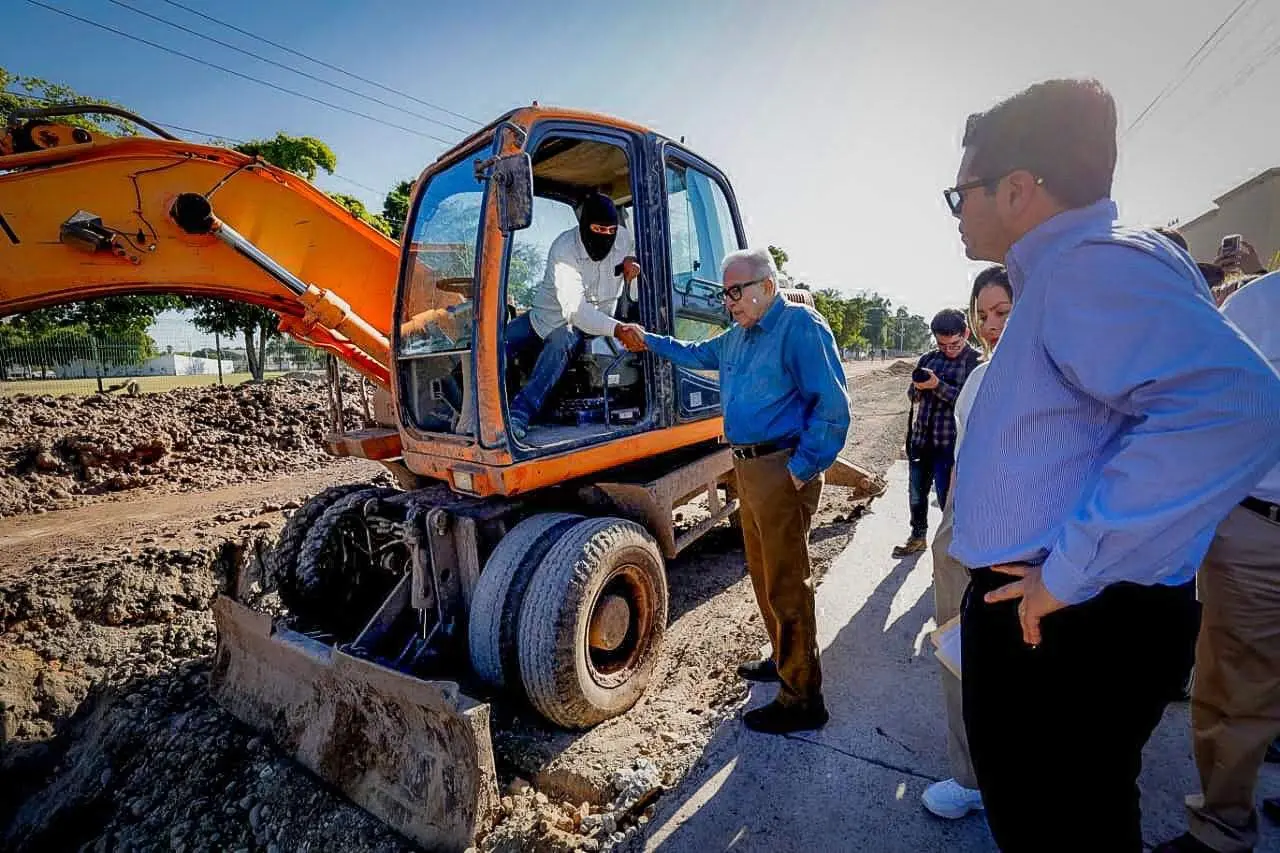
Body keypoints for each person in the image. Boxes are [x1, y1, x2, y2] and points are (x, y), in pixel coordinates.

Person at [943, 78, 1280, 852]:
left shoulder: (1088, 268)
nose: (958, 211)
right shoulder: (1067, 270)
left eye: (961, 192)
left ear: (1020, 189)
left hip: (1066, 626)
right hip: (1064, 616)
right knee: (1071, 817)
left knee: (1062, 825)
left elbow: (1237, 407)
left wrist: (1070, 568)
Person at [615, 247, 850, 735]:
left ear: (768, 285)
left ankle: (803, 699)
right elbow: (693, 353)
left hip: (781, 467)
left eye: (736, 291)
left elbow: (832, 406)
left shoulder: (799, 326)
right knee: (764, 574)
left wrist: (801, 469)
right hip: (748, 467)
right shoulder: (738, 337)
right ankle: (783, 660)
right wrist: (647, 341)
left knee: (788, 582)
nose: (729, 302)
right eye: (725, 294)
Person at [1156, 271, 1280, 853]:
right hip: (1261, 528)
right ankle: (1224, 828)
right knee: (1235, 686)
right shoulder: (1260, 303)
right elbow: (1200, 410)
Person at [921, 265, 1012, 820]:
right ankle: (971, 777)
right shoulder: (981, 376)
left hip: (1014, 536)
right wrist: (947, 521)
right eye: (983, 314)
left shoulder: (1056, 371)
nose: (990, 325)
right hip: (965, 526)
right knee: (959, 654)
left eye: (1003, 311)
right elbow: (963, 450)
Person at [507, 192, 639, 438]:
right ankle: (477, 403)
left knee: (561, 341)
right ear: (584, 226)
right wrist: (619, 329)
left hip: (589, 325)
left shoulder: (624, 238)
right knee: (493, 343)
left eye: (611, 230)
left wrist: (633, 264)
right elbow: (574, 310)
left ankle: (519, 414)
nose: (606, 236)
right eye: (598, 229)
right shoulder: (564, 249)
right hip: (545, 318)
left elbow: (633, 257)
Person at [891, 309, 980, 558]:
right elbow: (912, 395)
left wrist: (937, 386)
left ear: (966, 333)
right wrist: (919, 387)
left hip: (950, 447)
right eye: (943, 344)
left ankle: (949, 551)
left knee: (947, 502)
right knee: (917, 496)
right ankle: (917, 537)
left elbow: (970, 402)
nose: (949, 349)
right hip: (922, 440)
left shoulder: (977, 362)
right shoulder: (929, 359)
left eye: (954, 344)